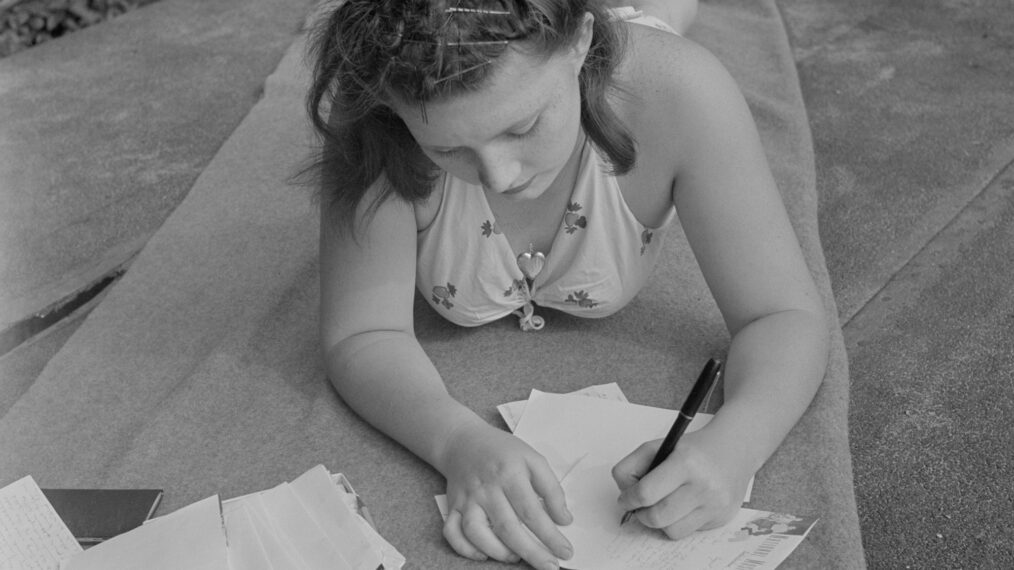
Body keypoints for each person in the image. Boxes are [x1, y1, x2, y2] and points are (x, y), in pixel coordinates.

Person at [306, 1, 829, 569]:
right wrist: (457, 442)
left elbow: (781, 315)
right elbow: (363, 332)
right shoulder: (371, 115)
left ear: (581, 41)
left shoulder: (680, 92)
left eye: (522, 126)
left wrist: (736, 446)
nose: (501, 176)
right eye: (447, 149)